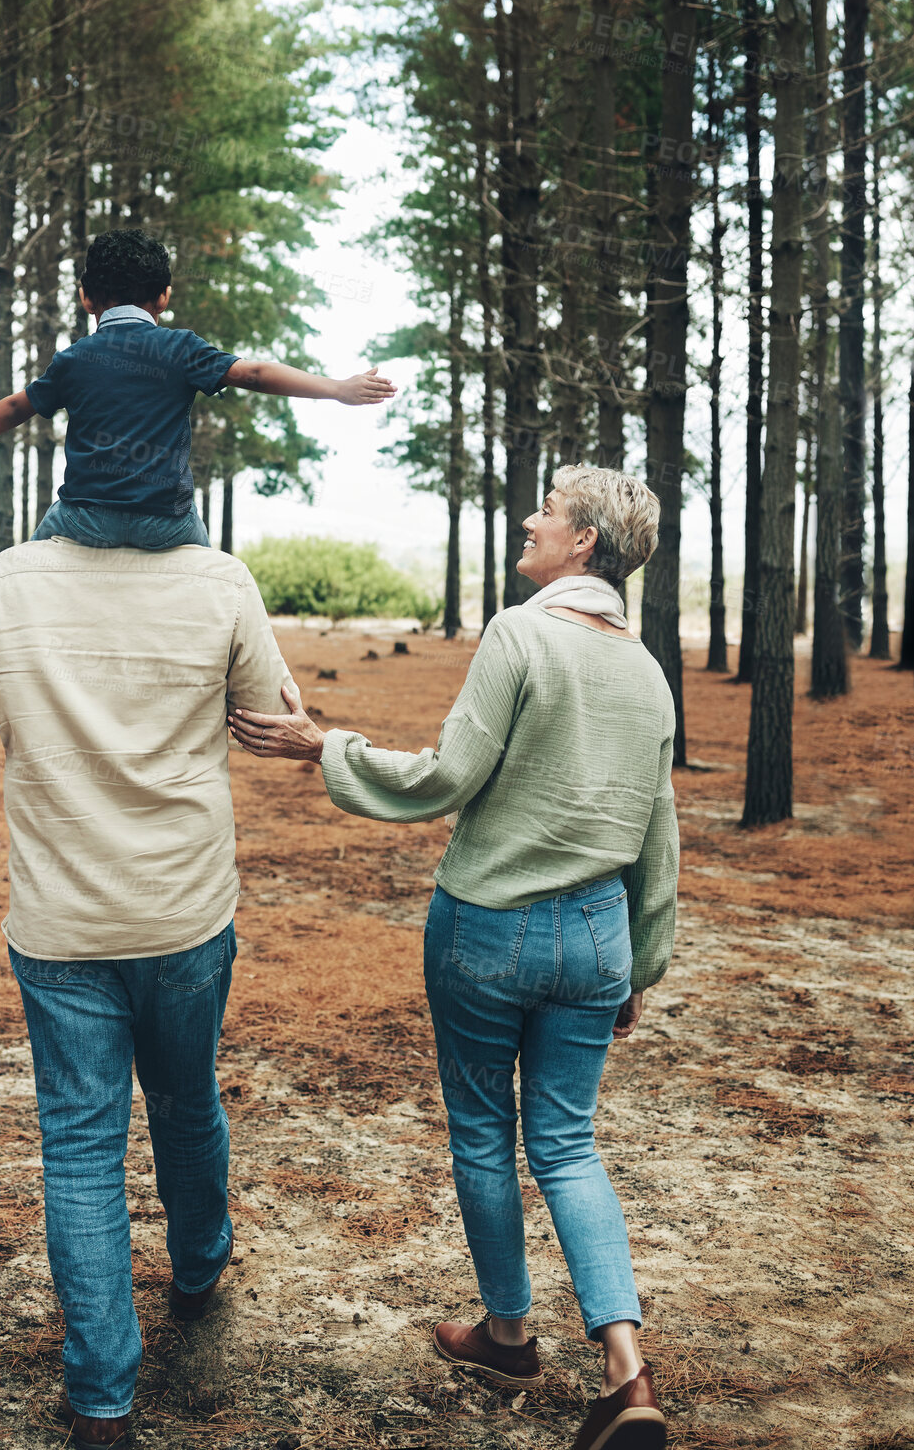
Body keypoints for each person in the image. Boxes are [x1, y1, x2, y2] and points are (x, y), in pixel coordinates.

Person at [229, 465, 678, 1450]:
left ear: (585, 542)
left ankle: (510, 1335)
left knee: (483, 1130)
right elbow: (658, 833)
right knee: (567, 1141)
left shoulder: (522, 633)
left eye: (548, 512)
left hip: (489, 930)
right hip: (598, 934)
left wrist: (324, 747)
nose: (530, 519)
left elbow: (448, 775)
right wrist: (639, 963)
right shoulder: (646, 669)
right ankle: (626, 1371)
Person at [0, 533, 298, 1449]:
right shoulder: (219, 579)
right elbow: (276, 715)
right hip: (182, 910)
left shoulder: (9, 578)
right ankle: (200, 1266)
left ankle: (100, 1403)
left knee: (81, 1146)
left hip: (62, 922)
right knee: (184, 1099)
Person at [0, 228, 395, 550]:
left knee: (20, 579)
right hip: (167, 523)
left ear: (85, 296)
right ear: (165, 296)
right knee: (218, 594)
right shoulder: (180, 349)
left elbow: (13, 406)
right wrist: (336, 388)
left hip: (84, 519)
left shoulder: (73, 360)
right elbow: (255, 373)